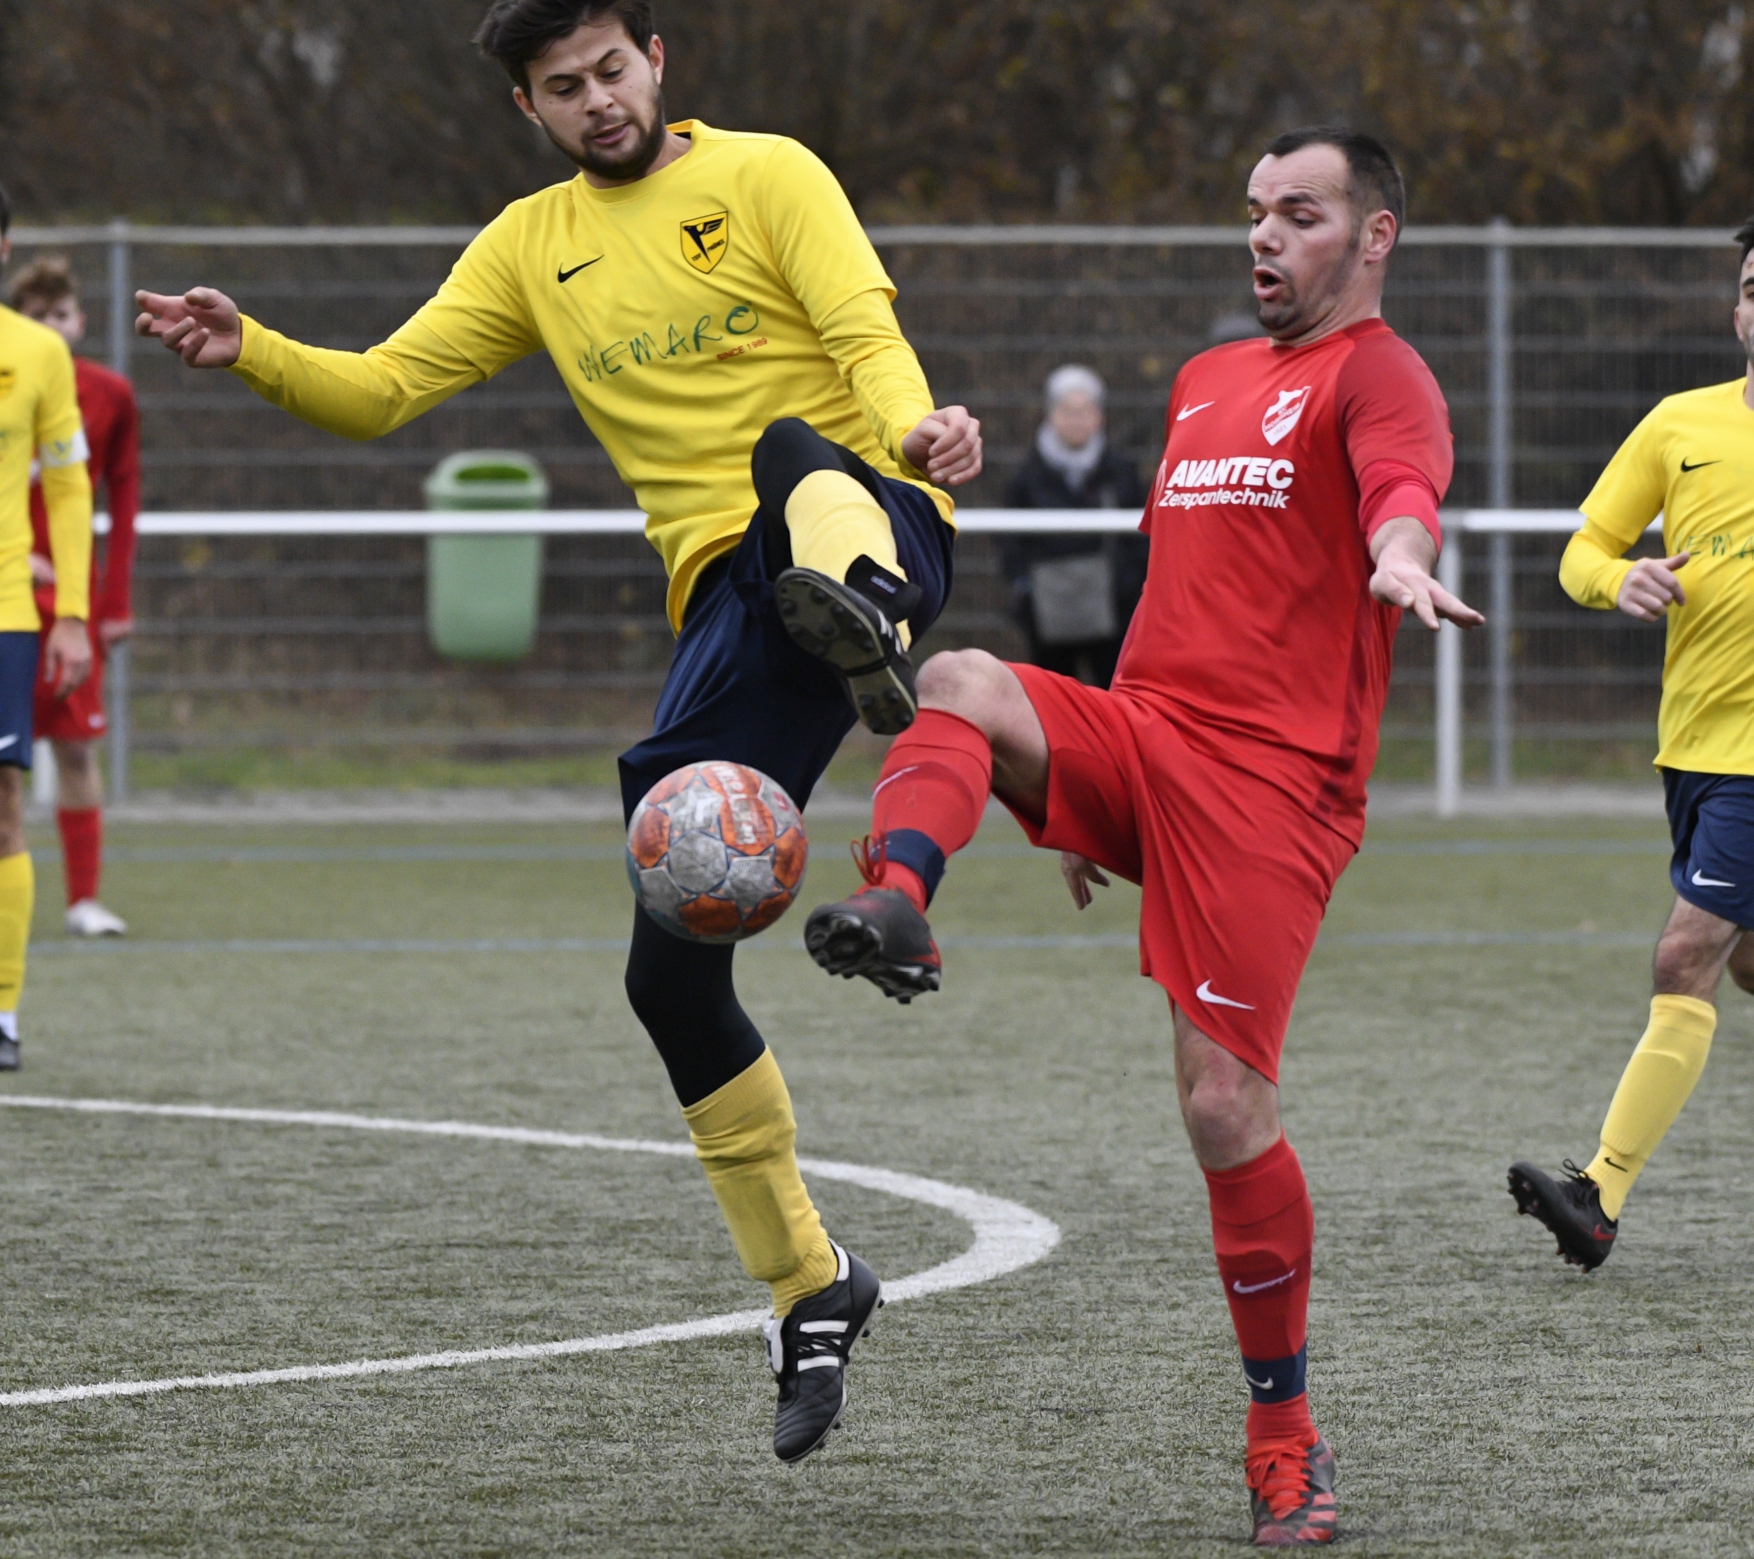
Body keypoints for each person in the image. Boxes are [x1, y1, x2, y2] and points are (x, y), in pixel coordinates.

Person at [135, 0, 981, 1465]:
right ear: (527, 109)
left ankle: (873, 613)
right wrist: (253, 346)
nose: (596, 100)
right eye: (561, 86)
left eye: (609, 69)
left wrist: (914, 435)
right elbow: (385, 388)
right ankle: (810, 1281)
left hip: (864, 509)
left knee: (792, 454)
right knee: (668, 974)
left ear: (656, 59)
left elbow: (864, 333)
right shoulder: (530, 246)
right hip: (730, 609)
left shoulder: (769, 172)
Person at [803, 128, 1481, 1545]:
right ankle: (898, 900)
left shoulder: (1381, 376)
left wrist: (1400, 557)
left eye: (1300, 213)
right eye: (1254, 211)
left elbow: (1403, 493)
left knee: (1221, 1106)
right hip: (1146, 728)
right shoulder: (1202, 379)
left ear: (1374, 237)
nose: (1264, 235)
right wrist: (1087, 771)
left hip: (1274, 788)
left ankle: (1283, 1437)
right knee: (960, 677)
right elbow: (1177, 583)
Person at [1508, 216, 1754, 1272]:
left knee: (1684, 953)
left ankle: (1597, 1194)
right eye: (1753, 285)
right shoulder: (1678, 424)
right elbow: (1582, 551)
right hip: (1692, 744)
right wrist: (1620, 578)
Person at [9, 258, 140, 938]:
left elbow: (120, 499)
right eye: (38, 318)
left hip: (69, 602)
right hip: (8, 597)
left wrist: (111, 602)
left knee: (77, 749)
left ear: (81, 321)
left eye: (62, 315)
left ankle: (82, 900)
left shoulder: (110, 395)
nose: (53, 328)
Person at [0, 187, 98, 1071]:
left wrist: (70, 611)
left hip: (6, 614)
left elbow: (69, 485)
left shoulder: (36, 352)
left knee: (2, 810)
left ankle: (1, 1010)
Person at [1000, 364, 1146, 686]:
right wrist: (1027, 588)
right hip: (1046, 616)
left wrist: (1127, 584)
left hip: (1114, 612)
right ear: (1051, 414)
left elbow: (1140, 536)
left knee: (1113, 693)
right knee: (1053, 693)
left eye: (1084, 410)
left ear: (1099, 416)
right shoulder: (1026, 476)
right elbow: (1010, 541)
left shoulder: (1122, 471)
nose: (1076, 420)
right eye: (1068, 410)